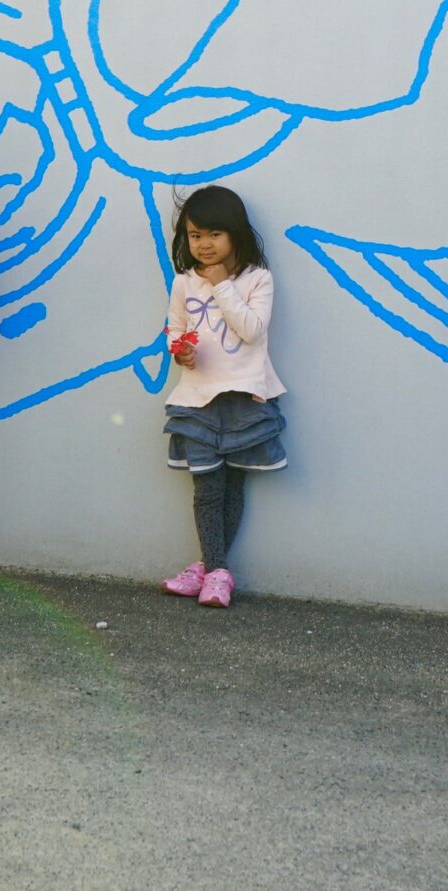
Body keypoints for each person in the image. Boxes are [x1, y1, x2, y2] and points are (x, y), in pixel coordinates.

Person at [157, 185, 283, 608]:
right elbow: (175, 328)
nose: (204, 244)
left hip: (245, 400)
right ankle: (216, 572)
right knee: (207, 488)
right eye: (195, 235)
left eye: (214, 234)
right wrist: (180, 350)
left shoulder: (258, 279)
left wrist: (221, 285)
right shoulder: (183, 283)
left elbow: (251, 330)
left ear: (235, 233)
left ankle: (208, 569)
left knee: (232, 488)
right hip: (198, 401)